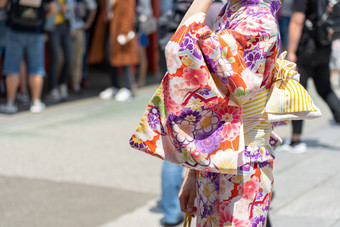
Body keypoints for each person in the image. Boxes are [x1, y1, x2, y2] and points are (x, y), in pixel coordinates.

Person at [173, 0, 282, 225]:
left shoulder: (258, 20)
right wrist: (193, 170)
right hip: (217, 152)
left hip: (243, 158)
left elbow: (180, 49)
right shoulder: (232, 10)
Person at [283, 0, 340, 153]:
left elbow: (296, 21)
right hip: (324, 45)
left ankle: (296, 141)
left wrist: (291, 52)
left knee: (298, 93)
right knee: (325, 89)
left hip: (306, 48)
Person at [0, 0, 57, 114]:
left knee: (12, 68)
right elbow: (53, 9)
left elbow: (1, 4)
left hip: (15, 30)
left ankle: (11, 103)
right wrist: (40, 17)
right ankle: (36, 102)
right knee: (36, 69)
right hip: (36, 31)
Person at [99, 0, 139, 102]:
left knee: (125, 58)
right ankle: (115, 86)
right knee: (111, 57)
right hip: (112, 27)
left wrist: (125, 31)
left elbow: (129, 13)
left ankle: (127, 87)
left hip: (122, 29)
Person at [45, 0, 75, 103]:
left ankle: (62, 83)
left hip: (66, 26)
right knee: (55, 58)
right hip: (52, 27)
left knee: (69, 58)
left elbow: (71, 11)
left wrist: (73, 27)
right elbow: (44, 9)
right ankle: (52, 89)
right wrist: (58, 7)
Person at [70, 0, 97, 93]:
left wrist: (88, 23)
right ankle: (62, 82)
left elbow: (93, 8)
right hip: (65, 28)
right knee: (63, 58)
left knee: (79, 57)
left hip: (79, 29)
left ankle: (76, 82)